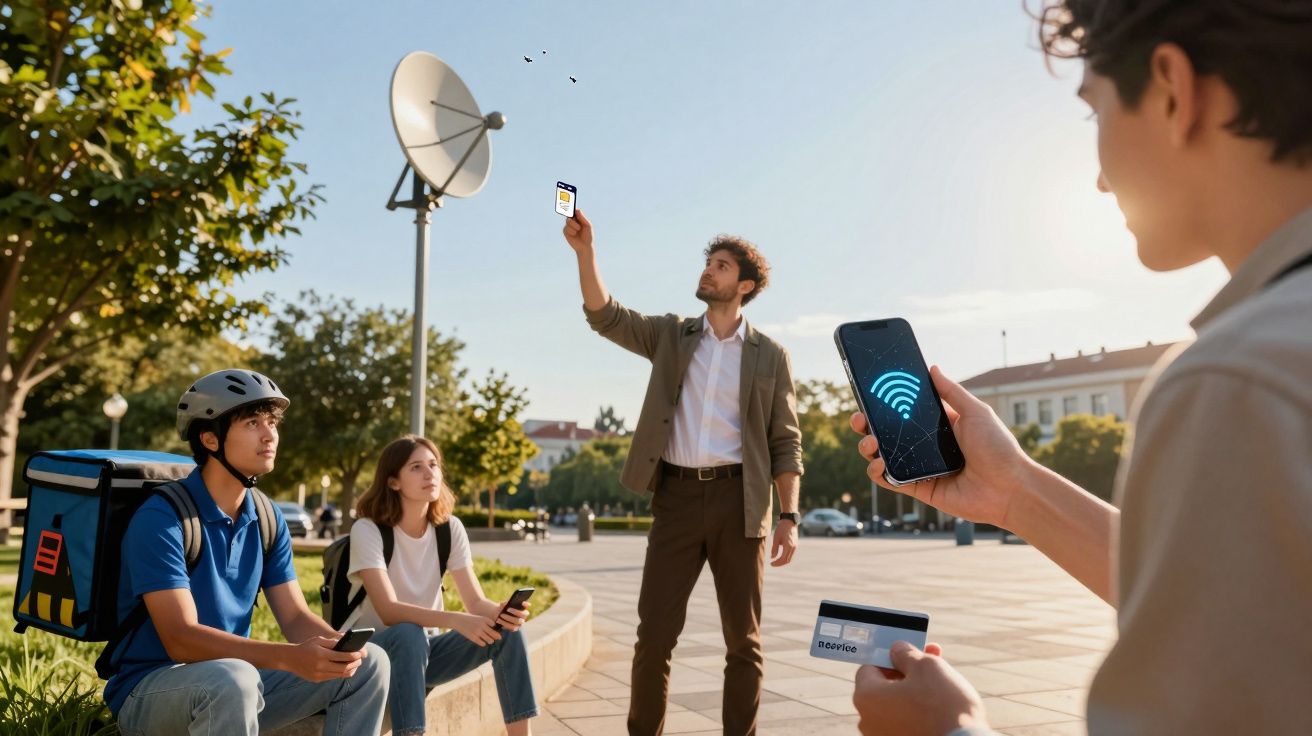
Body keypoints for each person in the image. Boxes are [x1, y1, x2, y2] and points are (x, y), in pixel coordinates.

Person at [848, 2, 1312, 734]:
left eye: (1094, 111)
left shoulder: (1239, 382)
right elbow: (1236, 597)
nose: (1098, 179)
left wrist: (946, 729)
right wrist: (1016, 494)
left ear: (1170, 90)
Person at [563, 210, 804, 735]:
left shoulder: (771, 357)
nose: (708, 271)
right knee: (654, 634)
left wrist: (789, 515)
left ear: (744, 285)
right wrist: (586, 254)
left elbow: (786, 442)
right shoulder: (672, 335)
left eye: (720, 266)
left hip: (740, 503)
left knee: (744, 640)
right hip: (674, 498)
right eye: (707, 263)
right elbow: (607, 316)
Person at [104, 369, 389, 735]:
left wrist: (335, 649)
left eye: (272, 422)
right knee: (233, 678)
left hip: (235, 683)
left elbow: (295, 617)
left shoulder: (266, 516)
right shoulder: (163, 517)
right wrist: (290, 657)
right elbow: (180, 638)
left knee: (369, 663)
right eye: (252, 423)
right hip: (152, 690)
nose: (270, 434)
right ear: (210, 439)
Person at [347, 435, 539, 736]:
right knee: (409, 632)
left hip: (426, 654)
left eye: (434, 465)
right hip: (376, 658)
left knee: (507, 631)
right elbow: (388, 611)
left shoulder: (449, 529)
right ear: (393, 481)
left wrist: (501, 612)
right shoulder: (368, 530)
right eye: (416, 467)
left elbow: (475, 602)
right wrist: (455, 619)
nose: (429, 473)